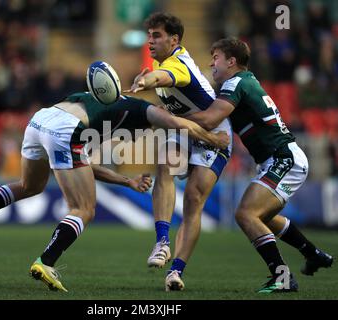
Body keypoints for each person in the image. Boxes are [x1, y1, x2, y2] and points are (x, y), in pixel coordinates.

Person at [0, 91, 229, 292]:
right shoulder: (144, 110)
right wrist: (214, 139)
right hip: (64, 130)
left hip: (41, 120)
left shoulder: (99, 111)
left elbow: (82, 163)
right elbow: (180, 123)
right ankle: (45, 262)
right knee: (84, 209)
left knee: (29, 186)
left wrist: (126, 182)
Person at [184, 38, 333, 293]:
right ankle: (313, 253)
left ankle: (282, 277)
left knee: (246, 214)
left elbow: (209, 120)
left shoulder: (235, 83)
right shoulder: (246, 81)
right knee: (264, 217)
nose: (211, 63)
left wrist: (169, 118)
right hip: (279, 158)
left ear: (231, 61)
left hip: (284, 158)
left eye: (215, 57)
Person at [126, 12, 232, 291]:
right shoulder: (162, 62)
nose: (150, 40)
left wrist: (147, 82)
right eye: (149, 35)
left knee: (193, 201)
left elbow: (164, 77)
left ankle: (176, 271)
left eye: (157, 35)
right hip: (186, 128)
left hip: (215, 134)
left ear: (174, 39)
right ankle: (162, 243)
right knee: (165, 165)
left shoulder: (178, 64)